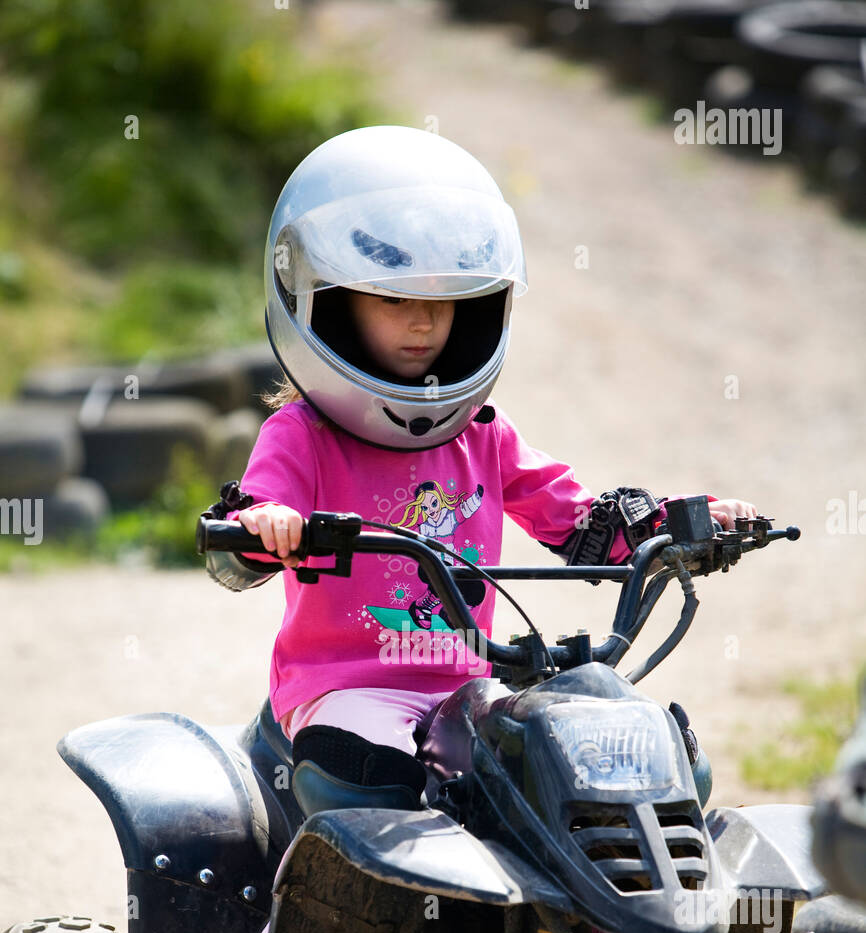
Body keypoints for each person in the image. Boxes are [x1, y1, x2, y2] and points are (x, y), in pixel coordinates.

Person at [207, 124, 755, 823]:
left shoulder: (484, 437)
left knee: (593, 771)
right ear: (331, 302)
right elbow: (253, 524)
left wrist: (688, 522)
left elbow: (583, 524)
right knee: (367, 782)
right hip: (347, 690)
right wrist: (266, 525)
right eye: (394, 300)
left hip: (467, 691)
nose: (425, 323)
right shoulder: (302, 436)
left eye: (444, 301)